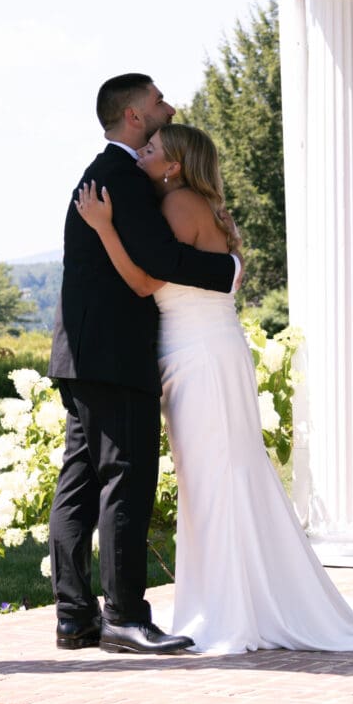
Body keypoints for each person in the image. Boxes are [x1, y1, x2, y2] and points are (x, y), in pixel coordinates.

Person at [76, 122, 353, 654]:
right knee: (215, 478)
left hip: (201, 356)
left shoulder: (178, 204)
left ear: (174, 165)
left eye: (152, 149)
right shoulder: (190, 202)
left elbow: (143, 282)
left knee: (216, 480)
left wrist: (104, 228)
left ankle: (228, 611)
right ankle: (235, 600)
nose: (142, 154)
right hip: (200, 350)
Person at [47, 74, 241, 655]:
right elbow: (160, 261)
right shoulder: (125, 178)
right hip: (115, 356)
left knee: (80, 482)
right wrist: (229, 269)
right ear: (134, 116)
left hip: (81, 355)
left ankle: (74, 617)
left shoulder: (101, 174)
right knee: (126, 480)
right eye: (158, 101)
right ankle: (125, 617)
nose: (169, 107)